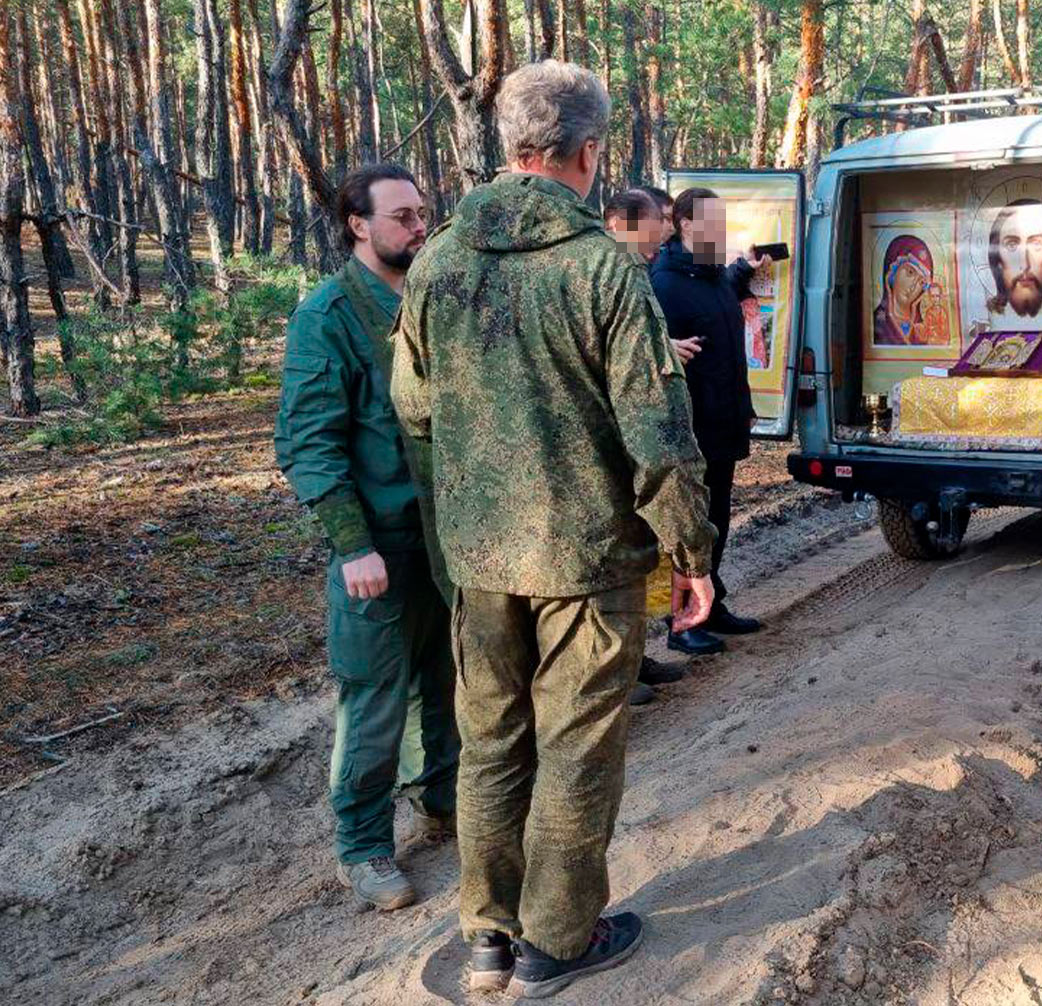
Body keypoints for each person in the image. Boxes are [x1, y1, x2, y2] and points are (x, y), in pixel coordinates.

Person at [389, 60, 717, 998]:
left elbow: (413, 400)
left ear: (509, 146)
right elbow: (658, 436)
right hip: (586, 555)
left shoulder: (442, 258)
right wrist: (692, 556)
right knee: (575, 745)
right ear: (588, 153)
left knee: (492, 741)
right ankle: (558, 940)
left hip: (481, 556)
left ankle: (487, 935)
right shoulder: (604, 268)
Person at [273, 164, 459, 912]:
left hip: (443, 541)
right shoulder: (328, 316)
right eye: (404, 217)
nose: (420, 228)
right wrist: (353, 546)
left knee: (446, 684)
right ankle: (365, 845)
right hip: (376, 545)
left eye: (422, 214)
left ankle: (444, 798)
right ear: (358, 224)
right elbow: (308, 444)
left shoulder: (428, 300)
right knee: (374, 700)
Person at [650, 187, 767, 656]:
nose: (720, 229)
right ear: (684, 225)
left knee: (716, 519)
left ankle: (710, 605)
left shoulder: (713, 274)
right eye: (711, 221)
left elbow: (720, 300)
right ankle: (680, 623)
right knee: (686, 527)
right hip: (689, 432)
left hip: (724, 421)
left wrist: (743, 271)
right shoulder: (663, 283)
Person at [600, 186, 695, 706]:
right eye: (659, 223)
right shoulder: (604, 273)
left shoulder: (635, 272)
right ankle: (618, 673)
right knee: (613, 570)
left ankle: (635, 656)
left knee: (640, 562)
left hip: (637, 449)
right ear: (622, 222)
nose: (665, 234)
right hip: (614, 449)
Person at [985, 198, 1042, 321]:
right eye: (1011, 245)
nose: (1024, 265)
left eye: (1036, 245)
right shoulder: (988, 319)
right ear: (998, 259)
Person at [871, 235, 939, 346]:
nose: (913, 286)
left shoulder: (922, 330)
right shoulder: (877, 323)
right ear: (892, 272)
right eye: (910, 272)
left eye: (921, 282)